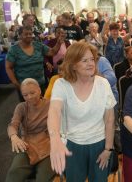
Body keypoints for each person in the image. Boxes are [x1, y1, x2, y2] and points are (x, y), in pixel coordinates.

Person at [47, 42, 116, 181]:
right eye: (84, 60)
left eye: (92, 59)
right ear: (73, 65)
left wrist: (108, 149)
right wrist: (54, 138)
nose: (91, 64)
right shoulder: (61, 85)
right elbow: (54, 111)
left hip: (99, 144)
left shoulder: (102, 84)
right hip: (73, 145)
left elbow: (109, 120)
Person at [6, 78, 55, 182]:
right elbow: (13, 125)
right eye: (25, 95)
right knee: (14, 173)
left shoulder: (51, 104)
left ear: (39, 90)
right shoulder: (21, 107)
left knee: (44, 178)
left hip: (48, 145)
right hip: (27, 145)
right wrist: (14, 136)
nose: (29, 97)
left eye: (32, 93)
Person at [5, 26, 61, 99]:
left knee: (41, 106)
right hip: (24, 86)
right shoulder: (14, 50)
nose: (29, 36)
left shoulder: (38, 45)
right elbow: (8, 67)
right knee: (27, 108)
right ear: (20, 35)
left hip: (40, 84)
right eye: (26, 34)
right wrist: (15, 83)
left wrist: (59, 43)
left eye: (30, 34)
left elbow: (52, 52)